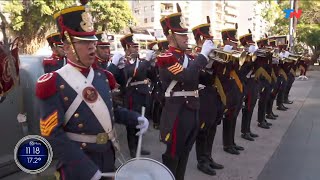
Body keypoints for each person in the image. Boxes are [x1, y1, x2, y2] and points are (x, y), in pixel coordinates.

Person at [36, 4, 149, 180]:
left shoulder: (102, 76)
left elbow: (110, 110)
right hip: (78, 162)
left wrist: (134, 118)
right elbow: (51, 133)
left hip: (107, 155)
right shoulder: (54, 82)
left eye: (92, 42)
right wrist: (84, 168)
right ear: (67, 47)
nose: (91, 47)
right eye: (83, 42)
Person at [157, 3, 214, 180]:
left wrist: (211, 62)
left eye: (185, 34)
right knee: (173, 154)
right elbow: (187, 77)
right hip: (177, 113)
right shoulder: (166, 58)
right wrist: (203, 56)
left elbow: (205, 80)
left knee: (185, 152)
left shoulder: (189, 57)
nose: (186, 38)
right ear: (170, 36)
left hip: (192, 110)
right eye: (181, 34)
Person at [110, 29, 153, 158]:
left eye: (137, 46)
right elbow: (132, 74)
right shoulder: (124, 62)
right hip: (131, 96)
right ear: (127, 47)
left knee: (141, 120)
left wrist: (152, 64)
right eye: (134, 46)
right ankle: (133, 149)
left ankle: (139, 145)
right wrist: (146, 62)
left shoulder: (139, 60)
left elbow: (149, 74)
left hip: (142, 94)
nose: (137, 49)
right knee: (131, 123)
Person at [191, 17, 224, 176]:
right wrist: (206, 61)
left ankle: (208, 157)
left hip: (213, 95)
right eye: (207, 39)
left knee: (212, 128)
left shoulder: (211, 55)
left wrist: (215, 63)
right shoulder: (193, 57)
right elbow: (194, 76)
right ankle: (201, 161)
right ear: (199, 40)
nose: (210, 42)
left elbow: (216, 77)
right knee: (203, 130)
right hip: (201, 97)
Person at [220, 25, 245, 155]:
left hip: (236, 89)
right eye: (233, 41)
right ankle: (226, 144)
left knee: (234, 116)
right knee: (228, 117)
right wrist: (227, 55)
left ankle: (232, 142)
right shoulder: (221, 52)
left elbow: (241, 71)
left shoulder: (235, 53)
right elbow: (222, 72)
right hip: (227, 90)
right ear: (226, 41)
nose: (235, 44)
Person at [239, 30, 260, 141]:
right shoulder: (242, 55)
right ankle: (244, 131)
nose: (252, 45)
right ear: (245, 44)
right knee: (246, 108)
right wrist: (249, 60)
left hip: (253, 82)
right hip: (245, 82)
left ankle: (247, 130)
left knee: (251, 107)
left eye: (252, 43)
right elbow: (242, 71)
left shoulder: (253, 54)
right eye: (250, 44)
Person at [256, 37, 273, 129]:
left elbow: (269, 65)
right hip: (262, 80)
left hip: (267, 80)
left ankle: (263, 119)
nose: (266, 47)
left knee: (265, 100)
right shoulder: (258, 53)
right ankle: (260, 120)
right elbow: (260, 67)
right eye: (264, 45)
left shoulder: (266, 54)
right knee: (262, 101)